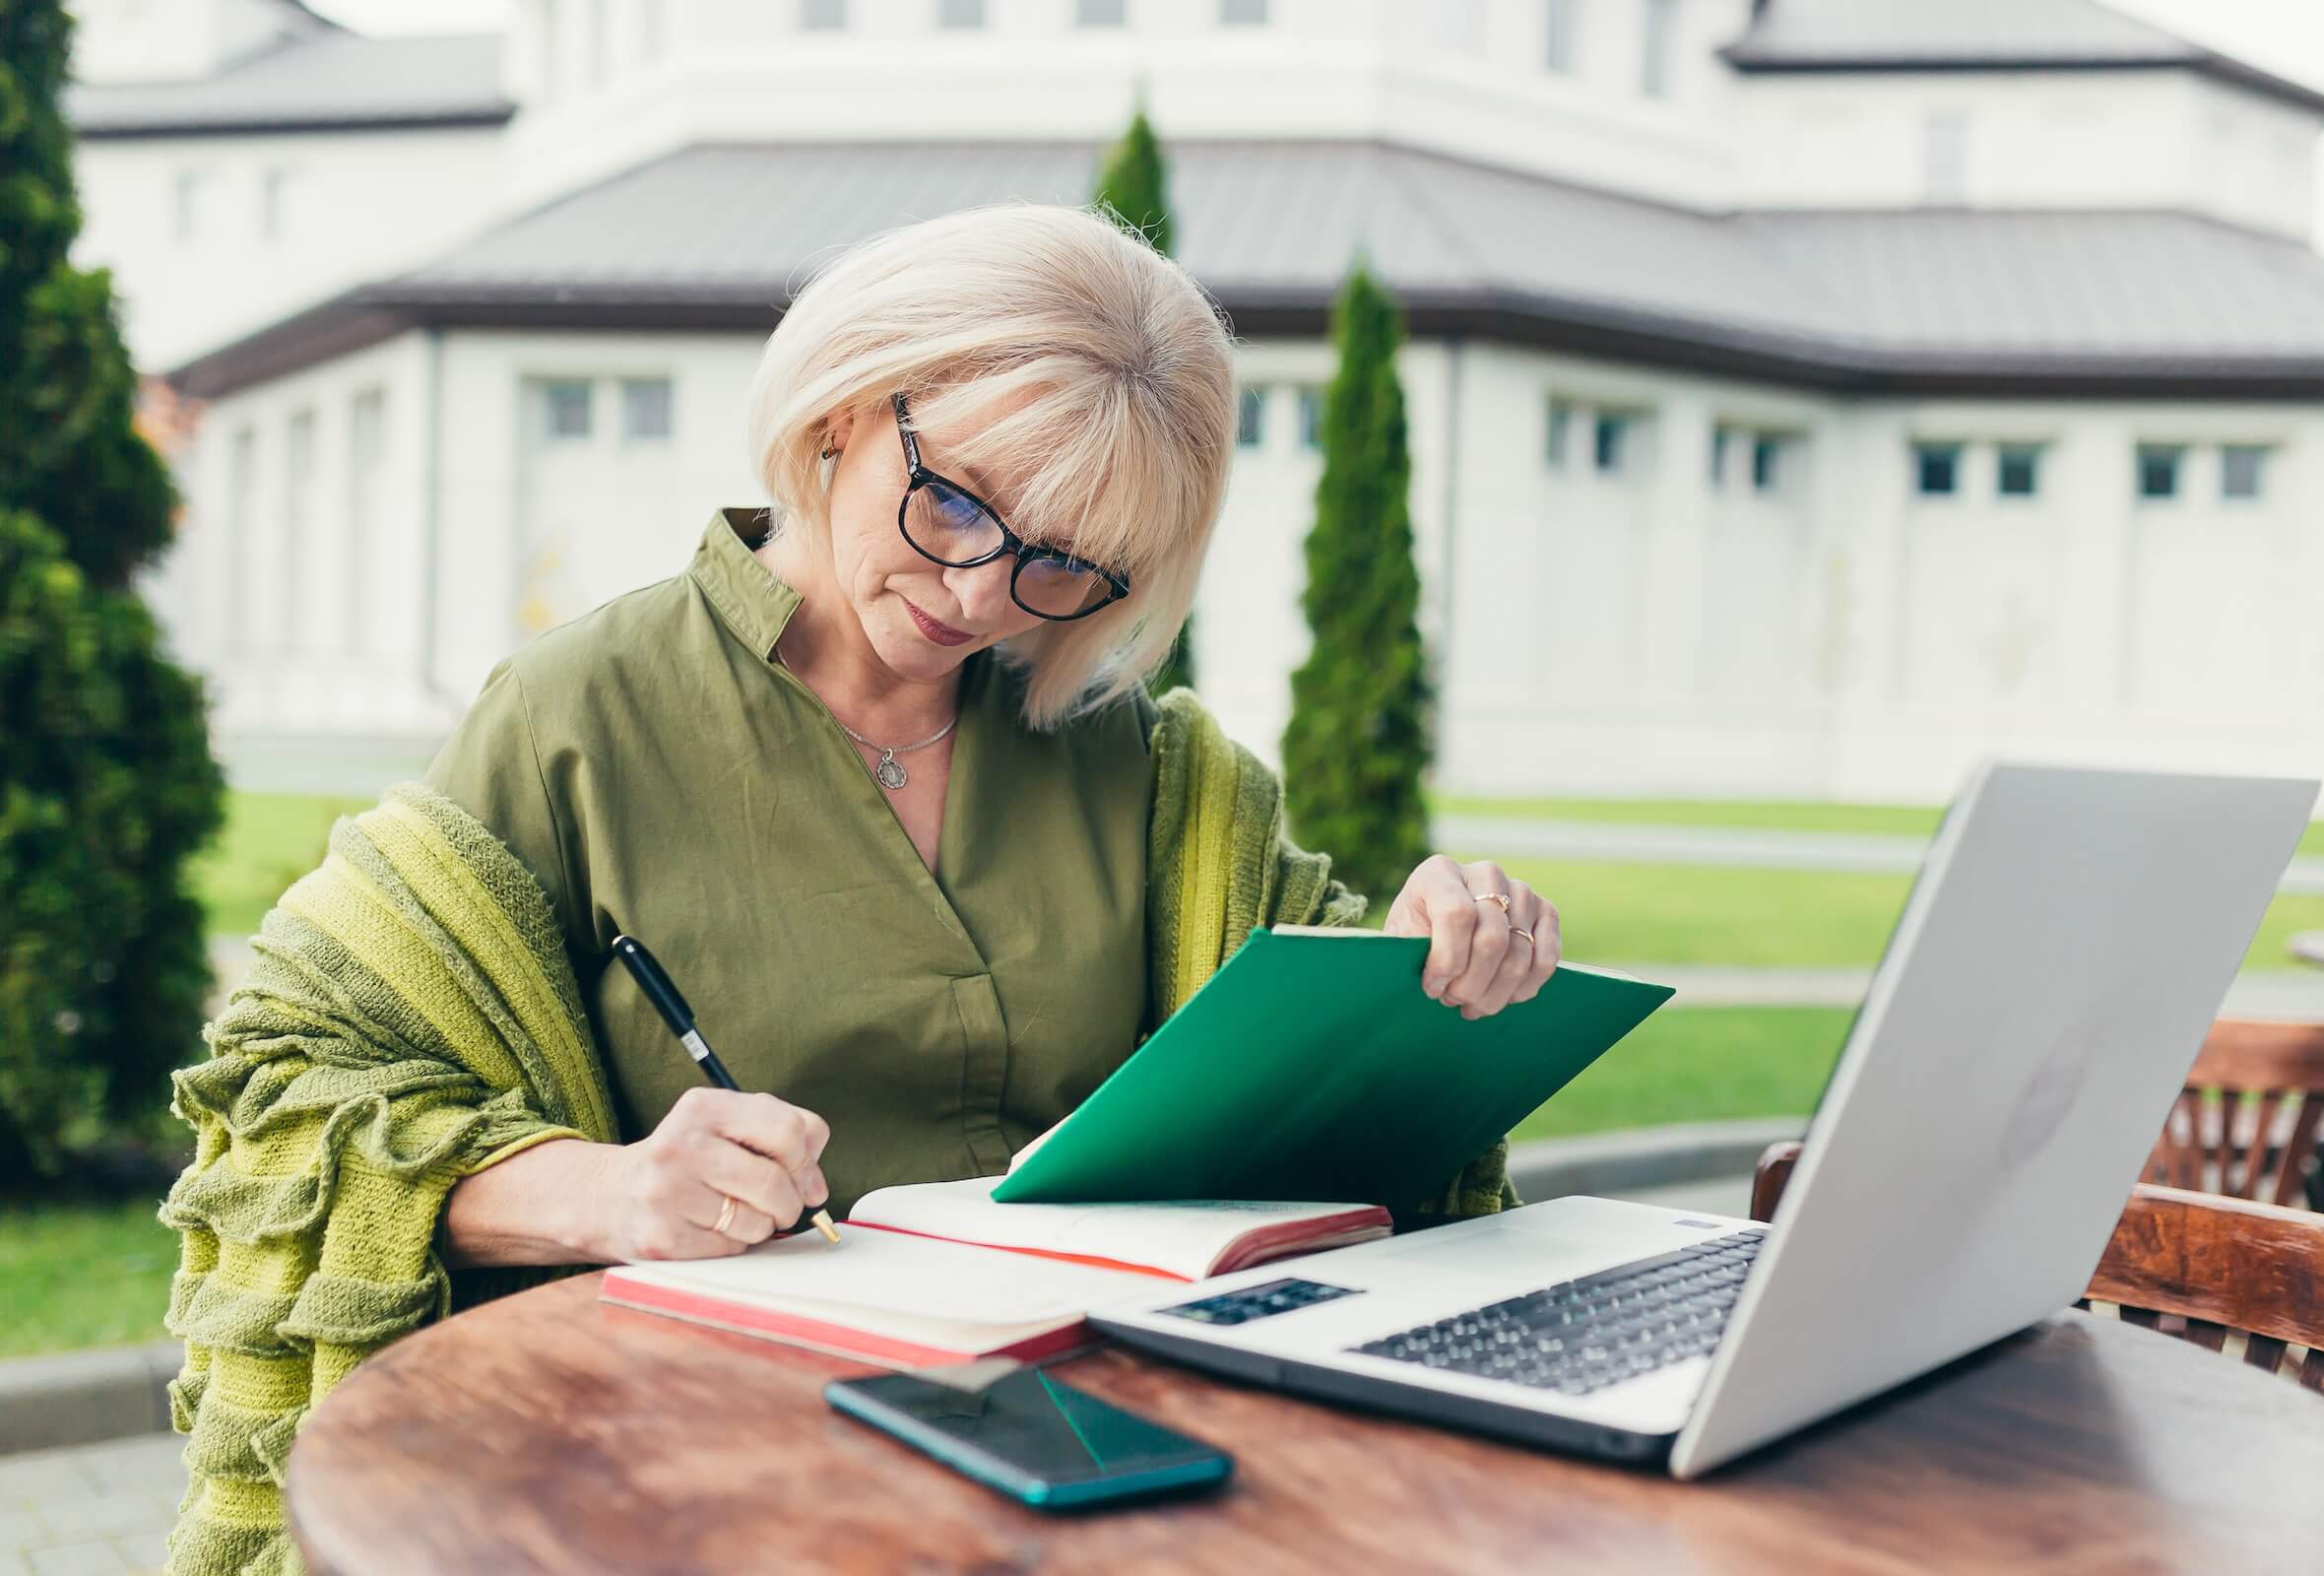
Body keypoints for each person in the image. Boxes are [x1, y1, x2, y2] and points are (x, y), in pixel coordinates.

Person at [160, 203, 1561, 1575]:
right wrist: (610, 1192)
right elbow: (282, 1099)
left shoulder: (1138, 760)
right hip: (699, 1473)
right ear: (841, 411)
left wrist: (1434, 954)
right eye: (951, 500)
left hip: (1108, 1458)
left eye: (1062, 563)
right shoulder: (579, 711)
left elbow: (1320, 1060)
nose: (978, 593)